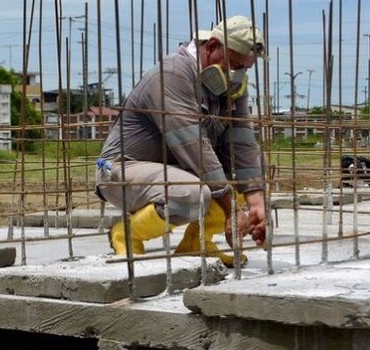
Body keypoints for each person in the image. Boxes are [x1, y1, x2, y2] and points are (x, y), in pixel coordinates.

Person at [95, 15, 267, 266]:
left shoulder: (229, 86)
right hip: (123, 171)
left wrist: (256, 205)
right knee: (194, 194)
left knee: (254, 168)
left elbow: (242, 144)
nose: (237, 74)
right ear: (211, 47)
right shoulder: (172, 75)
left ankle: (195, 244)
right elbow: (194, 146)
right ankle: (126, 233)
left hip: (179, 169)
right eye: (234, 66)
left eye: (245, 69)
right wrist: (232, 211)